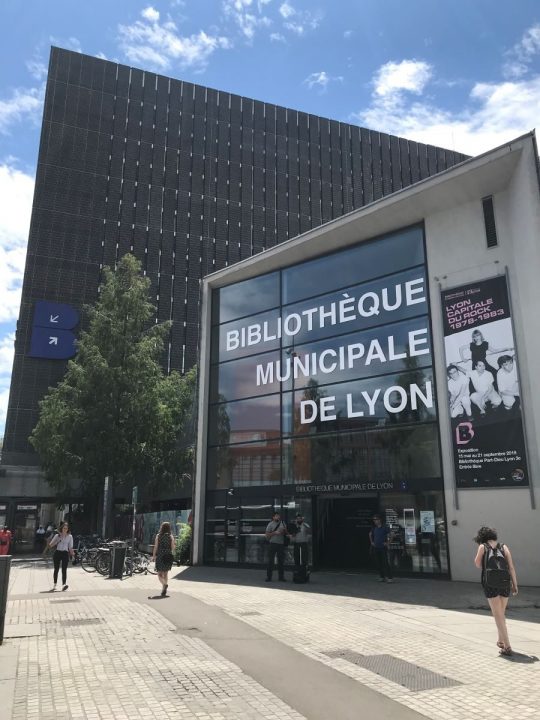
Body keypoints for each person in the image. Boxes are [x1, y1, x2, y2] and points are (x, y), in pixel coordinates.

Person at [474, 526, 518, 656]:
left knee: (498, 615)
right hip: (505, 583)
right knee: (501, 613)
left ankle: (507, 646)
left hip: (490, 583)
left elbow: (477, 563)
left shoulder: (483, 547)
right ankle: (500, 640)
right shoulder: (504, 547)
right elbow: (511, 567)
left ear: (482, 537)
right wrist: (515, 584)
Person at [151, 521, 175, 597]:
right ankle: (164, 588)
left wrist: (154, 556)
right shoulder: (171, 536)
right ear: (169, 528)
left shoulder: (158, 536)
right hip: (168, 555)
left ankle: (164, 585)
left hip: (161, 555)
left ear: (161, 527)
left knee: (159, 573)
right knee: (165, 573)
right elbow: (173, 548)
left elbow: (156, 547)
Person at [49, 522, 74, 591]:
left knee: (64, 570)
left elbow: (70, 547)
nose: (65, 530)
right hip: (57, 553)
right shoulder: (57, 536)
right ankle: (55, 584)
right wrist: (57, 541)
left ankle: (64, 584)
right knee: (56, 569)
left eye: (66, 528)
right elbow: (50, 545)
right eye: (64, 528)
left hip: (65, 554)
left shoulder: (70, 536)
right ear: (61, 529)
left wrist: (73, 554)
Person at [369, 515, 393, 582]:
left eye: (376, 519)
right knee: (378, 563)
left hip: (383, 548)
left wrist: (388, 543)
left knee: (385, 563)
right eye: (374, 520)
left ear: (380, 520)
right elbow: (370, 534)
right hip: (376, 548)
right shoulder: (374, 528)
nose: (375, 521)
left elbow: (391, 535)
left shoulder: (385, 527)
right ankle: (382, 577)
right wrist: (372, 542)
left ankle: (390, 578)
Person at [265, 511, 287, 582]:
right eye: (276, 516)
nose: (278, 517)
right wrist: (274, 533)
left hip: (281, 544)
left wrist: (283, 531)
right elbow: (267, 535)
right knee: (270, 561)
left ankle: (281, 577)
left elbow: (286, 533)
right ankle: (269, 577)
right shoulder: (270, 524)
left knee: (281, 561)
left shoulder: (283, 523)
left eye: (278, 516)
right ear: (273, 517)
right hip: (273, 544)